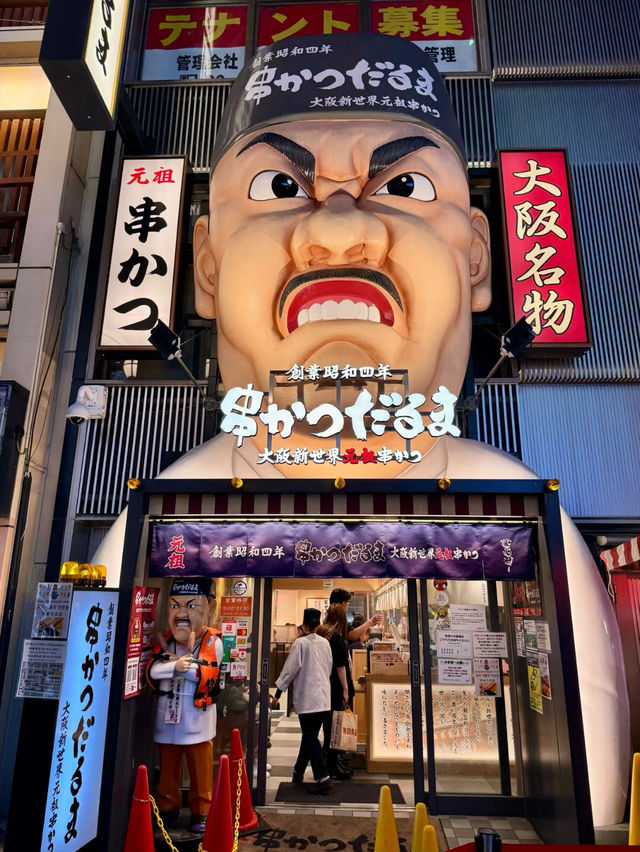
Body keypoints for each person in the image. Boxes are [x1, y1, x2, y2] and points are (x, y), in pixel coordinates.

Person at [93, 33, 629, 826]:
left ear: (476, 258)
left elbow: (599, 727)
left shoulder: (516, 501)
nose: (339, 231)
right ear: (203, 266)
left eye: (404, 185)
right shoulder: (166, 506)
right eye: (280, 186)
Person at [146, 578, 223, 833]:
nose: (181, 614)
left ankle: (201, 810)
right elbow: (153, 671)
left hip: (196, 720)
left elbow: (205, 673)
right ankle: (167, 806)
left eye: (191, 606)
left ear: (209, 610)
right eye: (175, 605)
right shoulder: (165, 641)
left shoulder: (212, 642)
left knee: (200, 767)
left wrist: (177, 667)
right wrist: (176, 666)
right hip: (167, 717)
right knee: (167, 766)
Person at [270, 607, 333, 794]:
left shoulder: (300, 644)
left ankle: (323, 777)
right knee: (310, 736)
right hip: (323, 697)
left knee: (310, 736)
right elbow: (328, 669)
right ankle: (298, 772)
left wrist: (278, 694)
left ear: (304, 624)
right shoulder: (325, 643)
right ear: (319, 624)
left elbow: (289, 671)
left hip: (308, 698)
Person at [316, 603, 356, 780]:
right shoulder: (337, 637)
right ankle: (332, 766)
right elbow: (340, 667)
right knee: (334, 726)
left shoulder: (320, 633)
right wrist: (346, 690)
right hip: (335, 686)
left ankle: (329, 763)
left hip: (321, 683)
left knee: (327, 724)